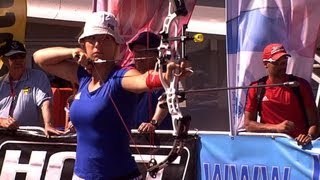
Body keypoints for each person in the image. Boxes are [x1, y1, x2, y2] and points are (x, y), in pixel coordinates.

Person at [33, 11, 191, 180]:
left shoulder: (121, 77)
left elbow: (143, 80)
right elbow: (39, 58)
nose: (97, 45)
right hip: (82, 175)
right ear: (83, 44)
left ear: (116, 45)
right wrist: (72, 52)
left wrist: (166, 76)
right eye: (92, 39)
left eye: (105, 39)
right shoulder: (83, 76)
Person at [244, 43, 320, 146]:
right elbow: (248, 125)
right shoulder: (256, 88)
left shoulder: (300, 85)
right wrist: (276, 128)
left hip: (298, 149)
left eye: (284, 62)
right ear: (266, 64)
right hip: (269, 147)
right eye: (277, 62)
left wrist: (309, 137)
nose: (282, 66)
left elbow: (315, 123)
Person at [0, 40, 63, 136]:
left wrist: (48, 124)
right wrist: (2, 122)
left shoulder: (38, 77)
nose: (18, 60)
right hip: (3, 137)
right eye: (13, 57)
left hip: (29, 137)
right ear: (4, 60)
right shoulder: (1, 82)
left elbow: (46, 103)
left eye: (21, 56)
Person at [128, 31, 173, 133]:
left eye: (143, 52)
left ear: (157, 55)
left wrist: (153, 123)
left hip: (159, 138)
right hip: (133, 136)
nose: (138, 57)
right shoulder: (130, 72)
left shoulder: (165, 75)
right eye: (136, 53)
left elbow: (166, 100)